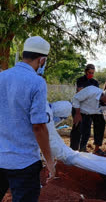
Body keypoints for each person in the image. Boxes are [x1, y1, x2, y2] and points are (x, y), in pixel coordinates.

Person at [0, 36, 55, 201]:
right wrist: (50, 161)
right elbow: (38, 127)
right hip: (24, 162)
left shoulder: (2, 77)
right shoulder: (37, 82)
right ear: (42, 60)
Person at [72, 86, 106, 154]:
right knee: (82, 129)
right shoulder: (91, 91)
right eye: (105, 101)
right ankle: (76, 149)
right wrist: (77, 113)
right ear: (102, 95)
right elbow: (75, 99)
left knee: (101, 124)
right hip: (81, 110)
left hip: (96, 112)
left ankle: (97, 148)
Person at [70, 64, 100, 150]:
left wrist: (86, 93)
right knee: (77, 129)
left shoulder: (95, 82)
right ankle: (73, 149)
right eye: (90, 72)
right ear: (86, 71)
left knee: (87, 130)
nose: (91, 74)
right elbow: (79, 91)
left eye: (93, 73)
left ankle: (83, 148)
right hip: (78, 107)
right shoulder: (80, 80)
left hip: (89, 109)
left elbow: (95, 95)